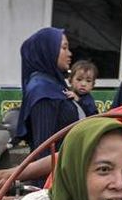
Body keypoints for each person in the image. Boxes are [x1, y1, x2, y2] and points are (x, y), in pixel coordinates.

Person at [15, 27, 80, 158]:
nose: (69, 53)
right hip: (54, 175)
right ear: (47, 51)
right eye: (64, 48)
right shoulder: (43, 91)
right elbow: (43, 150)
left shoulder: (54, 85)